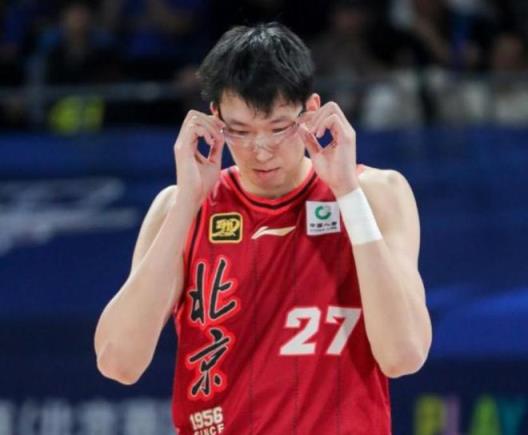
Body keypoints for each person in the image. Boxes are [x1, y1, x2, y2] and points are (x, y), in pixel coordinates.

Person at [94, 22, 432, 434]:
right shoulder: (180, 209)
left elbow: (404, 355)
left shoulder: (375, 194)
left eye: (278, 128)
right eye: (240, 131)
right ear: (214, 119)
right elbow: (118, 362)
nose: (261, 150)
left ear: (312, 110)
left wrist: (346, 191)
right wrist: (186, 204)